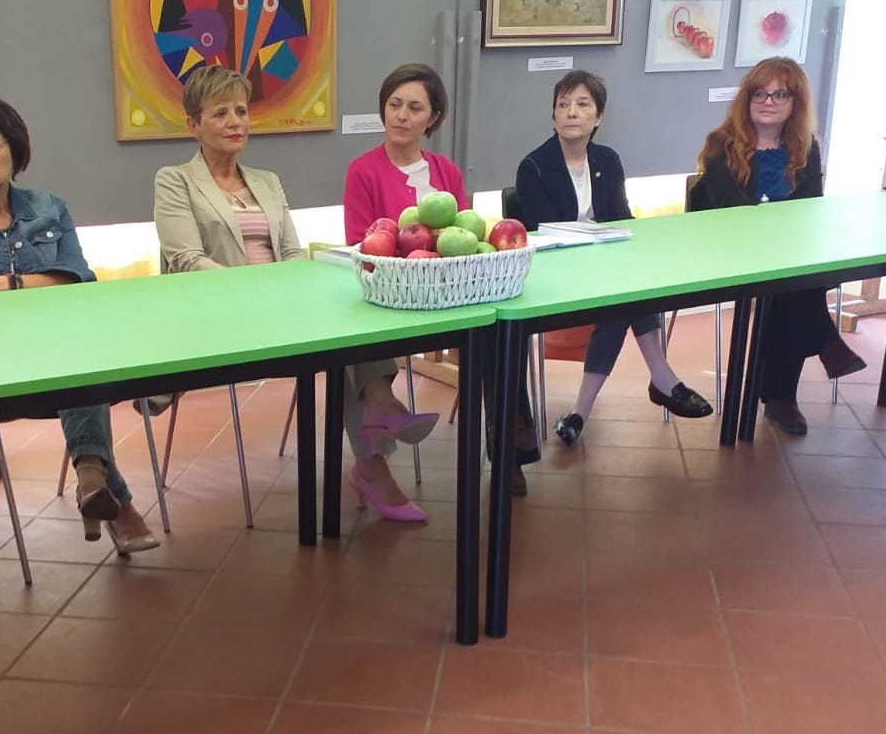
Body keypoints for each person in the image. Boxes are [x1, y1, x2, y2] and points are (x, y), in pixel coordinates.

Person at [153, 64, 435, 522]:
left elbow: (290, 253)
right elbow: (186, 260)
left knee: (351, 318)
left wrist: (288, 291)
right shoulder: (174, 180)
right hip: (215, 314)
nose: (235, 122)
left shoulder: (266, 181)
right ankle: (379, 420)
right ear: (193, 125)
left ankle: (375, 435)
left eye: (241, 111)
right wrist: (260, 291)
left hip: (282, 308)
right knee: (340, 340)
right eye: (220, 113)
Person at [0, 95, 159, 555]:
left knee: (76, 352)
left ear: (15, 150)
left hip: (59, 344)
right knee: (81, 358)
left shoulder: (49, 208)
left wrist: (4, 284)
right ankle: (103, 484)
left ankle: (95, 477)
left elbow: (79, 278)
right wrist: (43, 283)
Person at [345, 62, 534, 499]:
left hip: (452, 294)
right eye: (394, 104)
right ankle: (380, 413)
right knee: (351, 331)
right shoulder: (362, 170)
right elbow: (359, 243)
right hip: (392, 296)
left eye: (414, 108)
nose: (401, 116)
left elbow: (464, 237)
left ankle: (508, 447)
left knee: (505, 329)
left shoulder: (445, 171)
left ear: (433, 117)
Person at [516, 70, 714, 445]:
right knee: (626, 297)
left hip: (606, 272)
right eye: (563, 104)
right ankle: (662, 378)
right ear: (553, 115)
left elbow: (621, 217)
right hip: (557, 274)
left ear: (599, 117)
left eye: (582, 104)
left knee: (623, 299)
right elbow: (546, 231)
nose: (571, 112)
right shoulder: (534, 167)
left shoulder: (607, 159)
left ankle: (580, 414)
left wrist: (647, 240)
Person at [690, 57, 865, 434]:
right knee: (797, 283)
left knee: (795, 281)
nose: (768, 102)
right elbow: (733, 211)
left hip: (785, 253)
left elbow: (809, 207)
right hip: (728, 249)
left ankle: (778, 391)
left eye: (780, 94)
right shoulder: (723, 146)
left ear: (795, 103)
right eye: (760, 93)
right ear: (747, 99)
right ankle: (801, 371)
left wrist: (786, 237)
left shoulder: (805, 147)